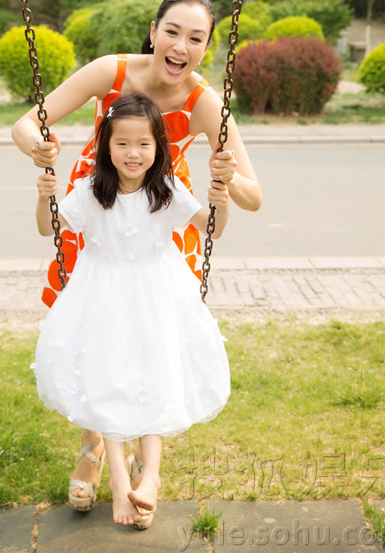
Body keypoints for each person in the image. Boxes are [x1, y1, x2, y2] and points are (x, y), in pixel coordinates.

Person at [12, 0, 262, 511]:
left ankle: (145, 474)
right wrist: (38, 146)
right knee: (92, 327)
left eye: (196, 38)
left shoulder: (204, 102)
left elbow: (253, 195)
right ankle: (92, 445)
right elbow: (28, 122)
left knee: (149, 333)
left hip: (162, 213)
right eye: (172, 31)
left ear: (207, 48)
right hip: (98, 203)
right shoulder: (113, 70)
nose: (181, 46)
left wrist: (226, 177)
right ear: (153, 31)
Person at [32, 94, 232, 528]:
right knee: (109, 380)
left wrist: (221, 194)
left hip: (156, 294)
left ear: (158, 147)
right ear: (106, 146)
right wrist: (45, 194)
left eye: (143, 144)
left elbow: (212, 226)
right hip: (102, 294)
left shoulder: (167, 189)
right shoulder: (89, 190)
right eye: (121, 143)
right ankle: (122, 481)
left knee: (155, 373)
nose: (133, 153)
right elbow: (48, 226)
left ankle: (152, 475)